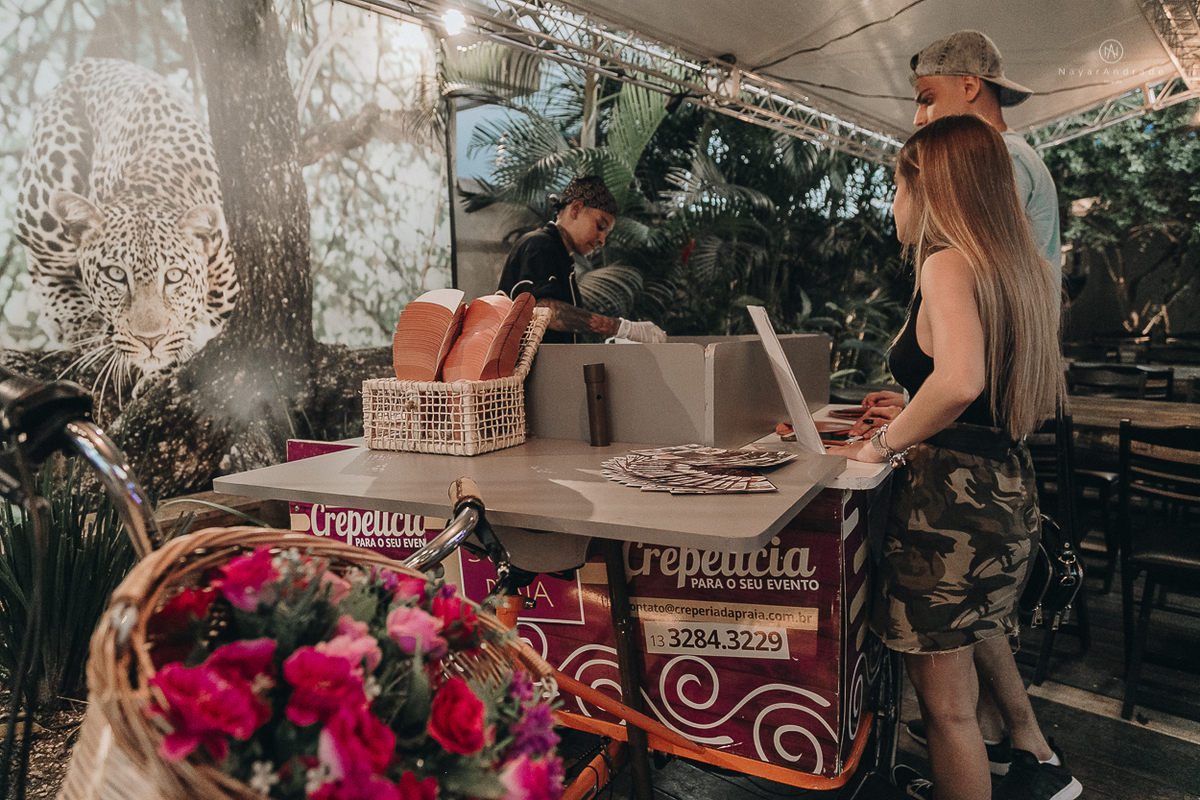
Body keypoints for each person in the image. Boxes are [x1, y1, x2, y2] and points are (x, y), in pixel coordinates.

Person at [829, 115, 1080, 800]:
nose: (892, 204)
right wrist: (912, 406)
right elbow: (982, 395)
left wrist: (880, 443)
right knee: (960, 699)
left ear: (930, 187)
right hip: (1001, 493)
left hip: (949, 512)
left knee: (947, 711)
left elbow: (961, 379)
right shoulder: (1020, 269)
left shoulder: (945, 261)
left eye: (896, 187)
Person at [850, 30, 1064, 439]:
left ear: (969, 86)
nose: (918, 118)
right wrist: (919, 400)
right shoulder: (1013, 155)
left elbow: (964, 377)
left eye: (927, 99)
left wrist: (885, 442)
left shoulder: (1003, 158)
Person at [497, 175, 666, 345]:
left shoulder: (562, 257)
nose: (602, 240)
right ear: (576, 209)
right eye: (600, 226)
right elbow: (544, 312)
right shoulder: (539, 245)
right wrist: (622, 328)